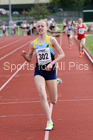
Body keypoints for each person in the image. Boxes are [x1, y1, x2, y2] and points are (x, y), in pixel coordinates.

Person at [21, 20, 65, 131]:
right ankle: (49, 122)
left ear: (46, 28)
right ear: (36, 28)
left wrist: (51, 63)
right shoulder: (33, 43)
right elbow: (30, 59)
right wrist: (24, 55)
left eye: (42, 26)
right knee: (42, 95)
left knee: (53, 100)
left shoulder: (51, 40)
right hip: (39, 71)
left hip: (51, 72)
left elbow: (62, 54)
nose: (40, 28)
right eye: (38, 26)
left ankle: (55, 81)